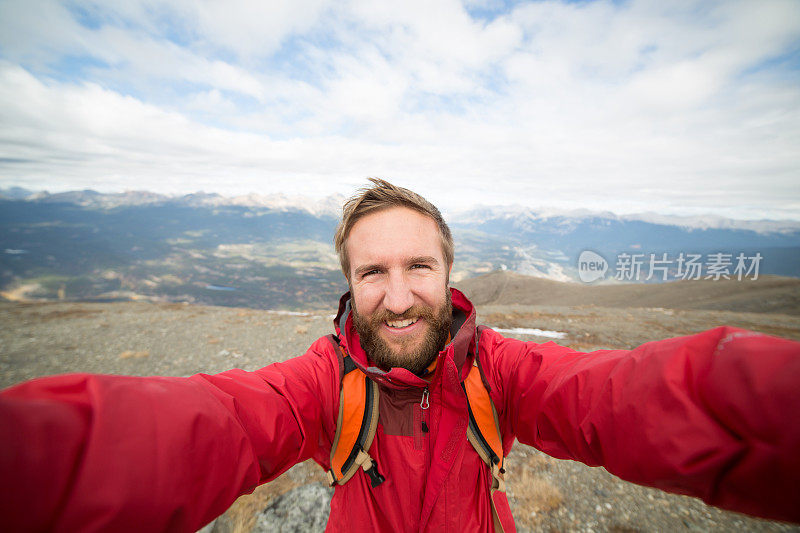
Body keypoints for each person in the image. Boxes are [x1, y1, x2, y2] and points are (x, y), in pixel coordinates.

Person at [1, 178, 799, 532]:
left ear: (449, 275)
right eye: (372, 271)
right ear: (349, 285)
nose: (398, 294)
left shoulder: (502, 371)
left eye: (418, 266)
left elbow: (646, 398)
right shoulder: (323, 382)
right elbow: (208, 426)